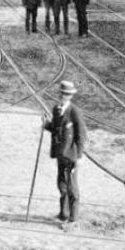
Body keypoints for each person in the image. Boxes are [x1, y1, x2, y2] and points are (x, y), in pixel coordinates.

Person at [44, 81, 87, 225]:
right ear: (59, 94)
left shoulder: (75, 111)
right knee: (62, 184)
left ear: (71, 96)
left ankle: (73, 219)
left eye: (68, 95)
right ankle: (64, 214)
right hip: (60, 154)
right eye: (63, 94)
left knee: (72, 187)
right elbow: (56, 130)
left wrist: (79, 156)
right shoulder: (56, 109)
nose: (65, 96)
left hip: (72, 155)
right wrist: (46, 125)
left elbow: (81, 135)